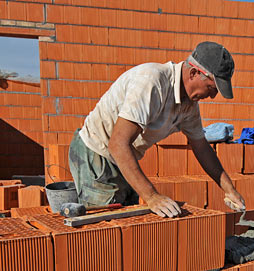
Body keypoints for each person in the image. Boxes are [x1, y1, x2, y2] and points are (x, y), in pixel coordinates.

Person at [68, 41, 245, 217]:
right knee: (107, 230)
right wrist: (151, 196)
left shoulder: (189, 106)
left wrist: (230, 190)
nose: (212, 96)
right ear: (193, 73)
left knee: (128, 223)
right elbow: (118, 144)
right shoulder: (152, 82)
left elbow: (202, 147)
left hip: (123, 159)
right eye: (211, 88)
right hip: (96, 153)